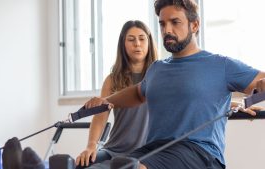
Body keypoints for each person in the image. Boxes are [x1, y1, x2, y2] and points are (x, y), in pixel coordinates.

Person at [83, 0, 265, 169]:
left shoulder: (221, 65)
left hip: (200, 152)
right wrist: (105, 101)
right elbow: (138, 94)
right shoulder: (157, 69)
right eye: (162, 24)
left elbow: (259, 80)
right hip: (154, 149)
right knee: (109, 166)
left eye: (175, 22)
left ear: (195, 25)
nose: (167, 29)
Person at [75, 20, 158, 169]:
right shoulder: (113, 79)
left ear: (149, 42)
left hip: (145, 154)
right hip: (114, 150)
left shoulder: (160, 76)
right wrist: (91, 146)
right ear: (123, 44)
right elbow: (100, 117)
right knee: (82, 165)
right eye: (131, 39)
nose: (137, 44)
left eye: (142, 38)